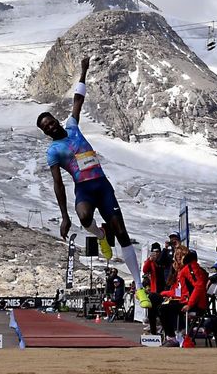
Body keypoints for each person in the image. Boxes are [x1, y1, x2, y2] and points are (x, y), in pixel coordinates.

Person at [36, 57, 151, 308]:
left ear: (55, 120)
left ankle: (140, 288)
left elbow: (78, 100)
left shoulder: (73, 127)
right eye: (46, 127)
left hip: (102, 185)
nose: (51, 126)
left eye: (51, 121)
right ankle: (100, 235)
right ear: (45, 133)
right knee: (84, 217)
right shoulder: (53, 151)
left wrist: (83, 71)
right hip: (84, 188)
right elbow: (58, 184)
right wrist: (64, 216)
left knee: (123, 234)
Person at [159, 250, 207, 347]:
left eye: (181, 256)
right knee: (164, 306)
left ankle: (172, 337)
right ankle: (174, 335)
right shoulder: (189, 268)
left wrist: (189, 304)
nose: (178, 258)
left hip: (195, 304)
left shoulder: (190, 267)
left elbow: (199, 285)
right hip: (191, 302)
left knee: (163, 309)